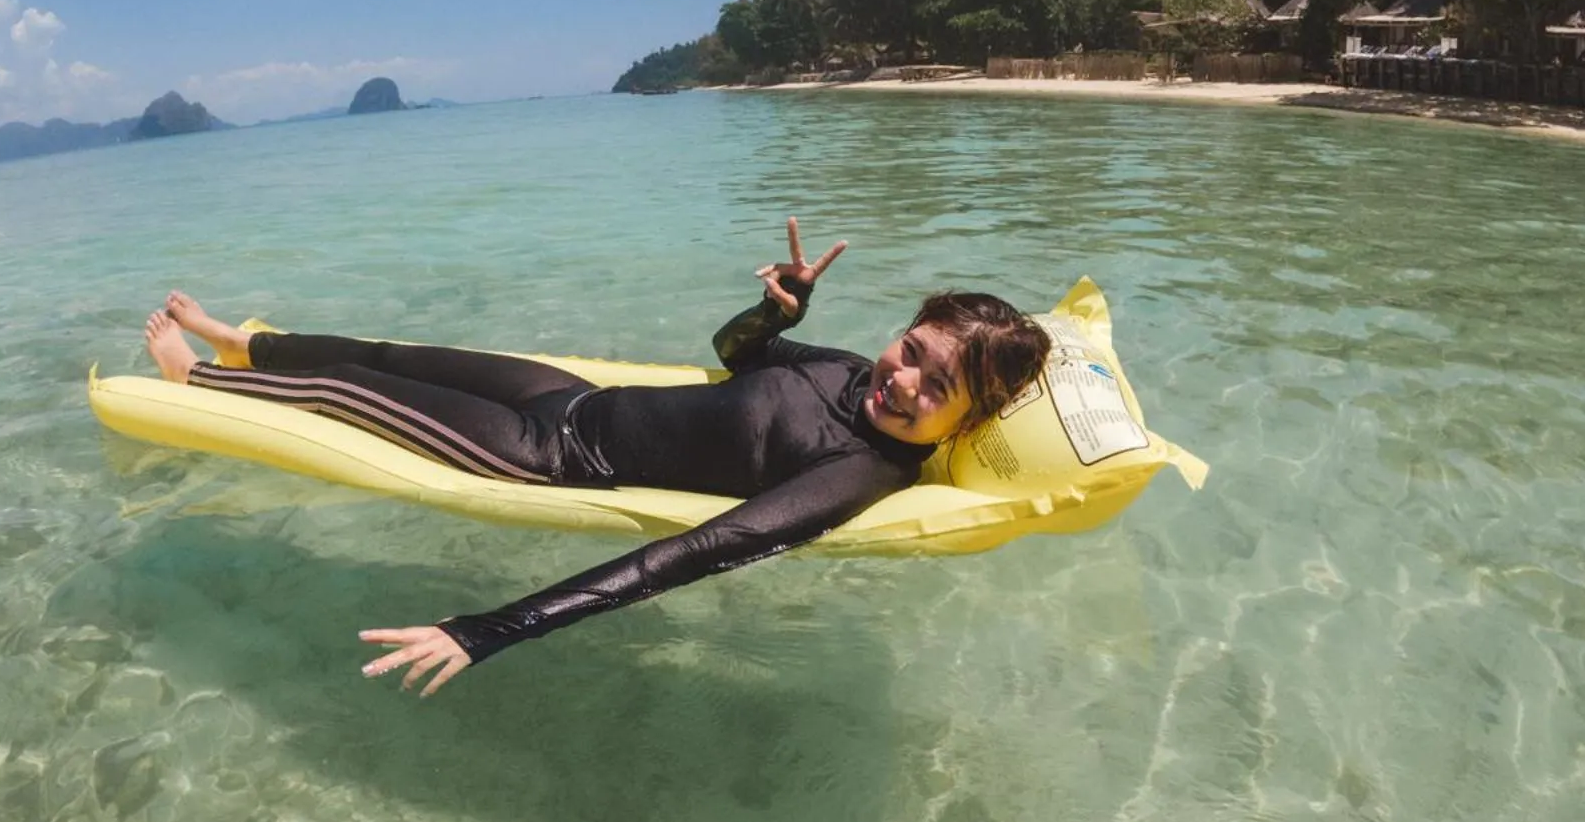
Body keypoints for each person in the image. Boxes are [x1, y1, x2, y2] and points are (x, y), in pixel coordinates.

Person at [142, 219, 1052, 697]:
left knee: (352, 394)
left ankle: (200, 384)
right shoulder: (853, 373)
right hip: (569, 393)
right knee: (388, 353)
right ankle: (246, 343)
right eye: (913, 352)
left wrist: (489, 629)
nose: (904, 386)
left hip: (542, 451)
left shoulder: (856, 471)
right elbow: (737, 356)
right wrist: (780, 314)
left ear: (966, 424)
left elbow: (686, 555)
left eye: (938, 393)